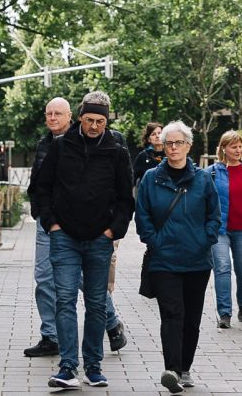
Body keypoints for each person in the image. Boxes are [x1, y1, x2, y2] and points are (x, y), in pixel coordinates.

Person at [30, 91, 135, 389]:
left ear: (106, 121)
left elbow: (127, 198)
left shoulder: (116, 150)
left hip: (100, 238)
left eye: (100, 121)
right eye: (89, 120)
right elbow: (43, 187)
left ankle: (93, 366)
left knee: (96, 303)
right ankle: (67, 367)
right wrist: (52, 224)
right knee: (64, 300)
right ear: (79, 119)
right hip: (64, 237)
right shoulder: (62, 147)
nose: (93, 126)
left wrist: (113, 231)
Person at [134, 121, 221, 394]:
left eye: (178, 143)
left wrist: (205, 239)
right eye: (168, 143)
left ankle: (185, 368)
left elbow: (214, 216)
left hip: (197, 260)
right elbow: (143, 214)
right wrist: (154, 241)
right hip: (164, 260)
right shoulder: (151, 178)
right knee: (172, 313)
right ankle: (171, 369)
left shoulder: (203, 179)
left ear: (188, 146)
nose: (173, 148)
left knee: (192, 317)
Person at [208, 130, 242, 329]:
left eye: (240, 146)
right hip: (220, 229)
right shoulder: (212, 172)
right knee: (222, 268)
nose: (238, 150)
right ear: (224, 148)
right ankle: (224, 313)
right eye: (233, 146)